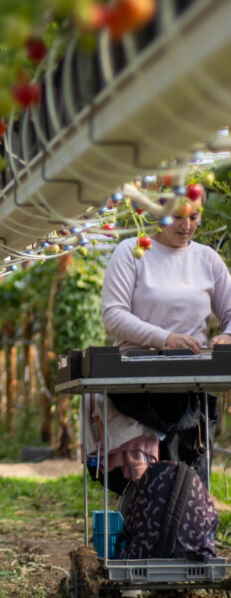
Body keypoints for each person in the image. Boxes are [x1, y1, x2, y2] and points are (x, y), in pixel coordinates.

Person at [95, 188, 231, 489]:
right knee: (146, 483)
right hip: (138, 383)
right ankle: (147, 529)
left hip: (193, 384)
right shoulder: (133, 251)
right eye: (176, 218)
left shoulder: (206, 259)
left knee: (191, 480)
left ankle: (188, 532)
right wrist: (166, 338)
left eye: (193, 217)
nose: (186, 226)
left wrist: (227, 334)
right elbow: (114, 315)